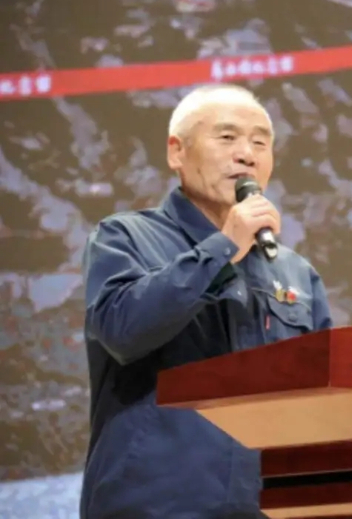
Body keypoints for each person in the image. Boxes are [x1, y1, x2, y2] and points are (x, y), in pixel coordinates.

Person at [79, 84, 333, 518]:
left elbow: (322, 400)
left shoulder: (295, 272)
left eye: (260, 143)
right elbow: (122, 330)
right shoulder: (124, 237)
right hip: (155, 507)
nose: (247, 154)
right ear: (177, 152)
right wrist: (223, 247)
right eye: (227, 137)